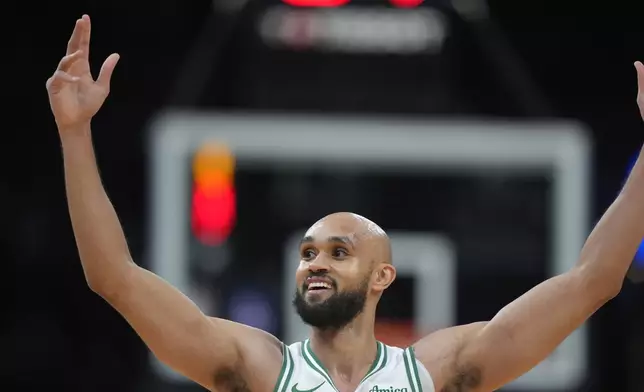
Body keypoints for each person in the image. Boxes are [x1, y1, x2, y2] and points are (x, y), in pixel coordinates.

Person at [46, 14, 644, 392]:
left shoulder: (435, 371)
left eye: (339, 250)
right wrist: (75, 135)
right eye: (309, 252)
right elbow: (114, 279)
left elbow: (594, 280)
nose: (316, 262)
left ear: (384, 275)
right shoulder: (257, 367)